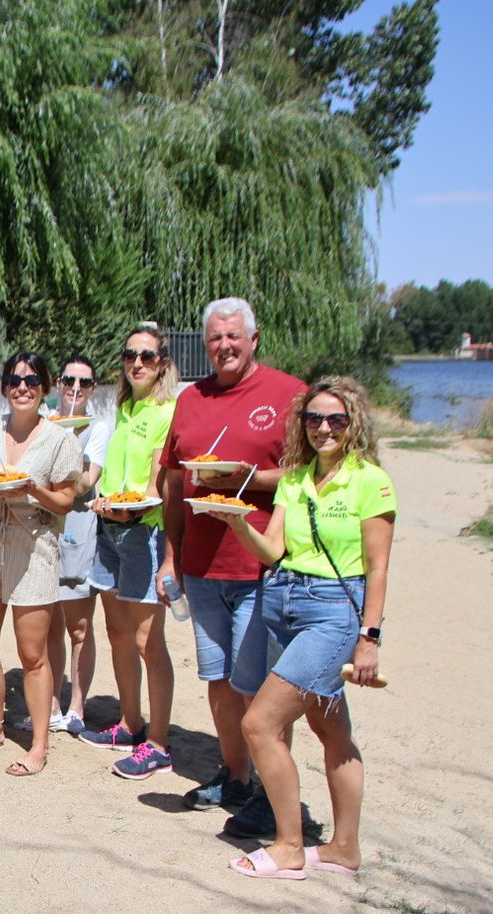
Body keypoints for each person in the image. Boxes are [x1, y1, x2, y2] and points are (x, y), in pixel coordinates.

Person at [208, 377, 394, 878]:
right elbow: (273, 550)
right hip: (284, 601)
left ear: (353, 422)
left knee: (260, 723)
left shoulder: (369, 481)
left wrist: (369, 639)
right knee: (330, 727)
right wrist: (236, 521)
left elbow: (377, 569)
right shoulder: (295, 478)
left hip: (334, 612)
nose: (324, 428)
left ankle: (290, 846)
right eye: (314, 419)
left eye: (335, 418)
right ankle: (343, 849)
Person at [157, 297, 305, 830]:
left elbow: (308, 476)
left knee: (258, 684)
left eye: (233, 336)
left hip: (262, 564)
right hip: (200, 565)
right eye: (215, 338)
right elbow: (175, 482)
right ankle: (235, 776)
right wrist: (171, 556)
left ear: (254, 338)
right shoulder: (191, 398)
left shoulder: (288, 394)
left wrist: (247, 477)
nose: (224, 346)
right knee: (218, 679)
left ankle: (272, 791)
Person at [0, 352, 83, 776]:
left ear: (44, 387)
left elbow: (67, 499)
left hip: (34, 548)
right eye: (14, 379)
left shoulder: (59, 440)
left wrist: (33, 487)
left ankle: (38, 745)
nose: (22, 387)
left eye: (32, 380)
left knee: (32, 654)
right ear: (4, 387)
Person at [82, 327, 179, 779]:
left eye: (147, 356)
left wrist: (127, 505)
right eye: (129, 355)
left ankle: (158, 742)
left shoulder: (167, 411)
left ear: (162, 362)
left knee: (147, 641)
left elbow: (159, 480)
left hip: (143, 531)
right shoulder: (125, 408)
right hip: (110, 529)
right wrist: (106, 502)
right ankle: (130, 723)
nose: (137, 363)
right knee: (118, 633)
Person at [42, 355, 110, 735]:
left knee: (79, 625)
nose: (75, 388)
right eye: (69, 380)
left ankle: (77, 705)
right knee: (47, 620)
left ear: (93, 388)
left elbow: (86, 482)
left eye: (84, 382)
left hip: (78, 528)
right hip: (42, 528)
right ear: (58, 383)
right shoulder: (43, 420)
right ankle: (50, 702)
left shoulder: (97, 429)